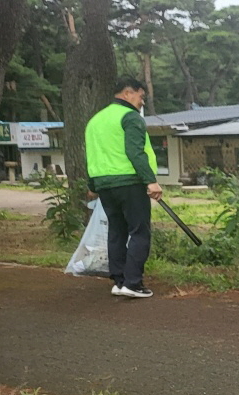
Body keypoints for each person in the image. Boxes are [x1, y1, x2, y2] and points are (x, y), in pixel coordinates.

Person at [85, 78, 163, 299]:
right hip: (129, 182)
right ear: (129, 93)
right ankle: (133, 283)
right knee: (139, 231)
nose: (141, 103)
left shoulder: (95, 120)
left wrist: (93, 185)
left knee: (117, 231)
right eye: (141, 97)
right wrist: (151, 181)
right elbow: (135, 152)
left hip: (104, 184)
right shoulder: (130, 117)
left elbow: (91, 155)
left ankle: (119, 281)